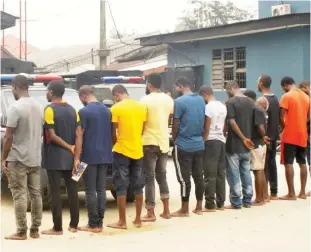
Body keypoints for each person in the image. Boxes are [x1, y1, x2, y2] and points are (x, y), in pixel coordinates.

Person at [1, 75, 43, 240]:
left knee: (19, 194)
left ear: (16, 87)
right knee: (36, 194)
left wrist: (3, 158)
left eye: (12, 88)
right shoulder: (40, 107)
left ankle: (21, 231)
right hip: (35, 157)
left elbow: (9, 137)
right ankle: (35, 230)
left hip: (18, 158)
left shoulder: (15, 107)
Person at [41, 81, 82, 235]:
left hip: (54, 158)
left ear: (51, 92)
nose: (47, 93)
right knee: (73, 190)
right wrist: (76, 155)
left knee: (55, 192)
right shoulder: (73, 110)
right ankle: (74, 225)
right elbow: (79, 134)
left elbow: (52, 135)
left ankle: (57, 228)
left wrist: (68, 147)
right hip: (73, 159)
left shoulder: (49, 109)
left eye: (47, 91)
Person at [108, 85, 147, 229]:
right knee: (138, 185)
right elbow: (142, 129)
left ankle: (122, 221)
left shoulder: (116, 108)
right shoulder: (141, 107)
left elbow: (114, 131)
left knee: (121, 185)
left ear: (117, 94)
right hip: (138, 149)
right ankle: (138, 219)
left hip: (121, 150)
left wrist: (114, 144)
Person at [77, 85, 112, 233]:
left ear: (83, 96)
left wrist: (76, 158)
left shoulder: (83, 112)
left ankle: (92, 223)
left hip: (88, 156)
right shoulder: (107, 110)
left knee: (90, 189)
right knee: (101, 189)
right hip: (105, 155)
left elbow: (79, 135)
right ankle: (100, 223)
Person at [140, 74, 174, 222]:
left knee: (149, 177)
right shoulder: (168, 99)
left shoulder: (144, 100)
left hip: (149, 142)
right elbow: (169, 118)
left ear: (149, 85)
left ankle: (150, 212)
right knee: (162, 176)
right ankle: (166, 210)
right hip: (164, 142)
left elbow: (142, 121)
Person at [171, 77, 205, 216]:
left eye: (176, 87)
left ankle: (184, 209)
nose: (175, 90)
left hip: (184, 144)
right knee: (198, 176)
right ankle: (199, 207)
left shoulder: (179, 101)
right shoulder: (201, 100)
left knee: (184, 179)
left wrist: (175, 139)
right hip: (199, 144)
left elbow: (176, 123)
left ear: (180, 86)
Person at [279, 77, 310, 200]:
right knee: (302, 163)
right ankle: (302, 192)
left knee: (288, 163)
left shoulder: (287, 96)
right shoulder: (306, 97)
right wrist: (301, 124)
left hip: (290, 135)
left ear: (286, 85)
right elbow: (309, 117)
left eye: (283, 88)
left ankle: (291, 193)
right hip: (303, 134)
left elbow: (281, 116)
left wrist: (285, 127)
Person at [225, 81, 254, 209]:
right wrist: (247, 138)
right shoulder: (250, 101)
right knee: (246, 172)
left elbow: (231, 121)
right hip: (248, 144)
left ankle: (236, 201)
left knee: (234, 173)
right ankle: (247, 200)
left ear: (231, 88)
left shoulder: (231, 102)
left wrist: (242, 138)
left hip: (234, 144)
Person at [199, 85, 227, 212]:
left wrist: (203, 142)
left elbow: (207, 126)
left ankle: (210, 204)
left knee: (210, 174)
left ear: (204, 94)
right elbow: (224, 126)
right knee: (221, 173)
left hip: (211, 141)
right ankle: (221, 203)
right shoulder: (222, 106)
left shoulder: (208, 107)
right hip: (221, 140)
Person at [244, 90, 269, 206]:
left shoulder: (255, 109)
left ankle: (259, 199)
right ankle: (263, 196)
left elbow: (260, 127)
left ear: (249, 98)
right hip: (260, 144)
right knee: (260, 169)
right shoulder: (257, 109)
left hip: (256, 144)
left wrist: (263, 136)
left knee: (257, 170)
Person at [257, 75, 280, 201]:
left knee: (264, 165)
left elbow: (260, 120)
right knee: (272, 163)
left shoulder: (262, 100)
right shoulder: (275, 98)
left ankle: (265, 194)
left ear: (261, 83)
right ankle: (274, 192)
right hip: (274, 135)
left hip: (266, 136)